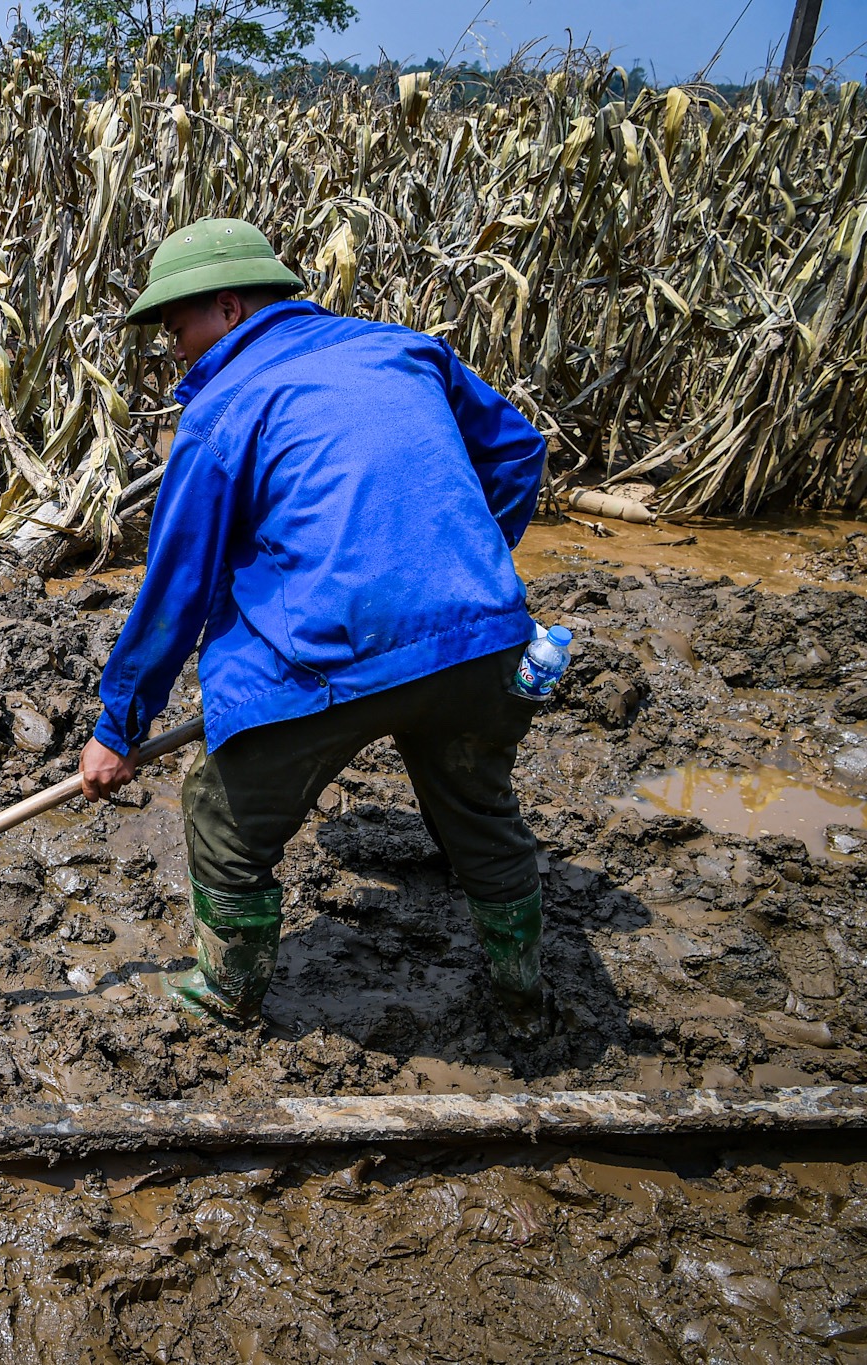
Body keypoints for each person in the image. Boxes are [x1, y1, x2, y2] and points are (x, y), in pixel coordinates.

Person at [79, 218, 550, 1037]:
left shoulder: (223, 410)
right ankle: (524, 1000)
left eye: (177, 326)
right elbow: (516, 453)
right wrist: (466, 564)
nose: (172, 348)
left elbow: (177, 587)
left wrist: (118, 727)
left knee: (220, 817)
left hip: (333, 657)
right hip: (484, 640)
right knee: (480, 811)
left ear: (228, 307)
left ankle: (226, 996)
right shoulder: (405, 349)